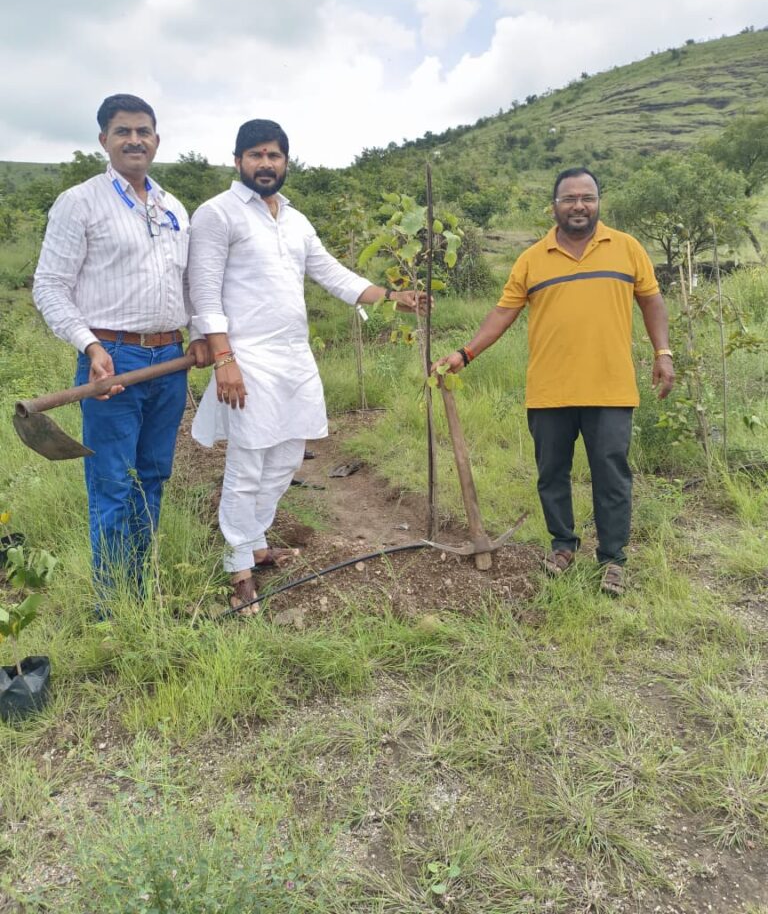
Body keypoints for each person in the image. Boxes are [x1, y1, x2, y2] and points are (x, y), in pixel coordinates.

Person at [188, 118, 428, 614]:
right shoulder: (217, 213)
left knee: (286, 459)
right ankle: (239, 569)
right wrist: (224, 358)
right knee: (248, 463)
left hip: (294, 356)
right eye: (256, 154)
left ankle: (256, 543)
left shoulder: (295, 220)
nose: (265, 163)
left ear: (285, 162)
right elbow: (204, 291)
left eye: (274, 155)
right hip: (246, 358)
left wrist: (390, 296)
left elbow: (331, 273)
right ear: (238, 161)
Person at [433, 167, 674, 596]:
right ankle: (562, 546)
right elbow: (503, 313)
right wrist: (464, 353)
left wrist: (663, 353)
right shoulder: (532, 259)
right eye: (569, 198)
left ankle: (613, 560)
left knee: (612, 475)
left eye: (587, 197)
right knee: (552, 474)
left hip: (610, 388)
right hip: (550, 391)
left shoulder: (627, 248)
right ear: (555, 206)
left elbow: (651, 300)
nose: (579, 206)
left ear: (598, 202)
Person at [33, 94, 209, 605]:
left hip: (169, 361)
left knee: (152, 475)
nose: (135, 140)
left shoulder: (172, 207)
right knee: (112, 482)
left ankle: (140, 587)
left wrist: (200, 333)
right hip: (112, 361)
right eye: (123, 131)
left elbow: (190, 286)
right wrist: (90, 347)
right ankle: (111, 605)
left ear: (157, 139)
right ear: (104, 140)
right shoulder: (80, 202)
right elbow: (50, 286)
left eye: (143, 131)